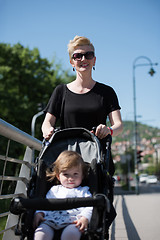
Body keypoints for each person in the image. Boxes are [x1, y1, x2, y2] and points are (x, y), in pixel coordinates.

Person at [42, 35, 123, 175]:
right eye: (78, 56)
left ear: (94, 60)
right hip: (66, 162)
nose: (83, 59)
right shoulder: (60, 91)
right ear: (72, 62)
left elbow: (119, 126)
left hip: (97, 161)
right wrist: (48, 130)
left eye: (88, 55)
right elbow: (46, 123)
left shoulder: (107, 92)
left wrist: (108, 130)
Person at [33, 150, 93, 240]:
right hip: (50, 220)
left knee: (71, 234)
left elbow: (90, 206)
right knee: (40, 234)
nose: (71, 178)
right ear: (58, 176)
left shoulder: (84, 191)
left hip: (74, 221)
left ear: (82, 175)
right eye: (66, 174)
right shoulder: (54, 190)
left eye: (75, 174)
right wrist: (39, 213)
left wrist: (85, 218)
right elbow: (45, 203)